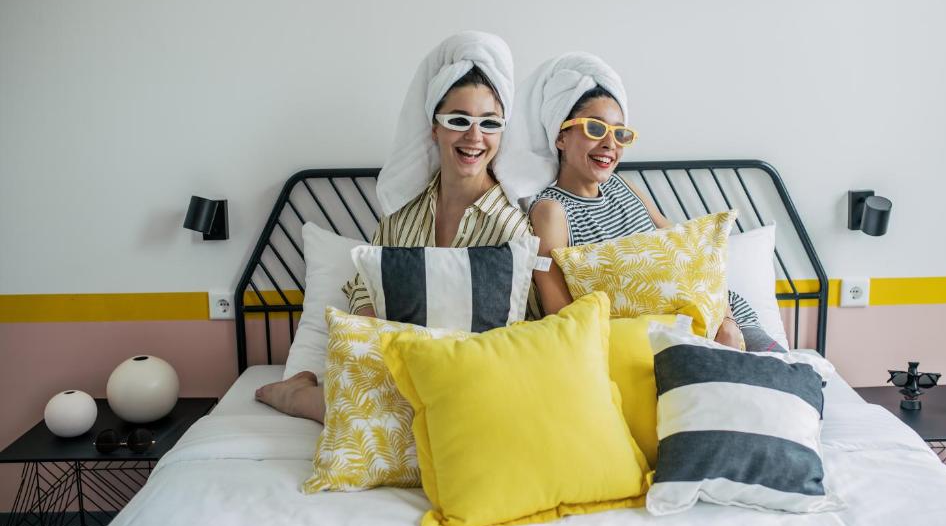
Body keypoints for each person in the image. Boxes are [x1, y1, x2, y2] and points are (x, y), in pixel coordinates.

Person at [256, 31, 538, 422]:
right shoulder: (402, 216)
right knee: (372, 408)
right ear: (434, 128)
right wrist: (377, 328)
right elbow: (361, 286)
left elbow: (528, 328)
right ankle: (295, 394)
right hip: (399, 369)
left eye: (490, 123)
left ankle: (302, 397)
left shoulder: (514, 229)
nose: (475, 136)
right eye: (459, 120)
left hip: (473, 382)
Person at [496, 52, 744, 348]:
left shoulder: (622, 185)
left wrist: (727, 322)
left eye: (620, 133)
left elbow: (690, 255)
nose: (610, 144)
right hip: (657, 343)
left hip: (721, 319)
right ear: (560, 137)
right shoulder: (551, 211)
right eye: (595, 128)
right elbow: (562, 314)